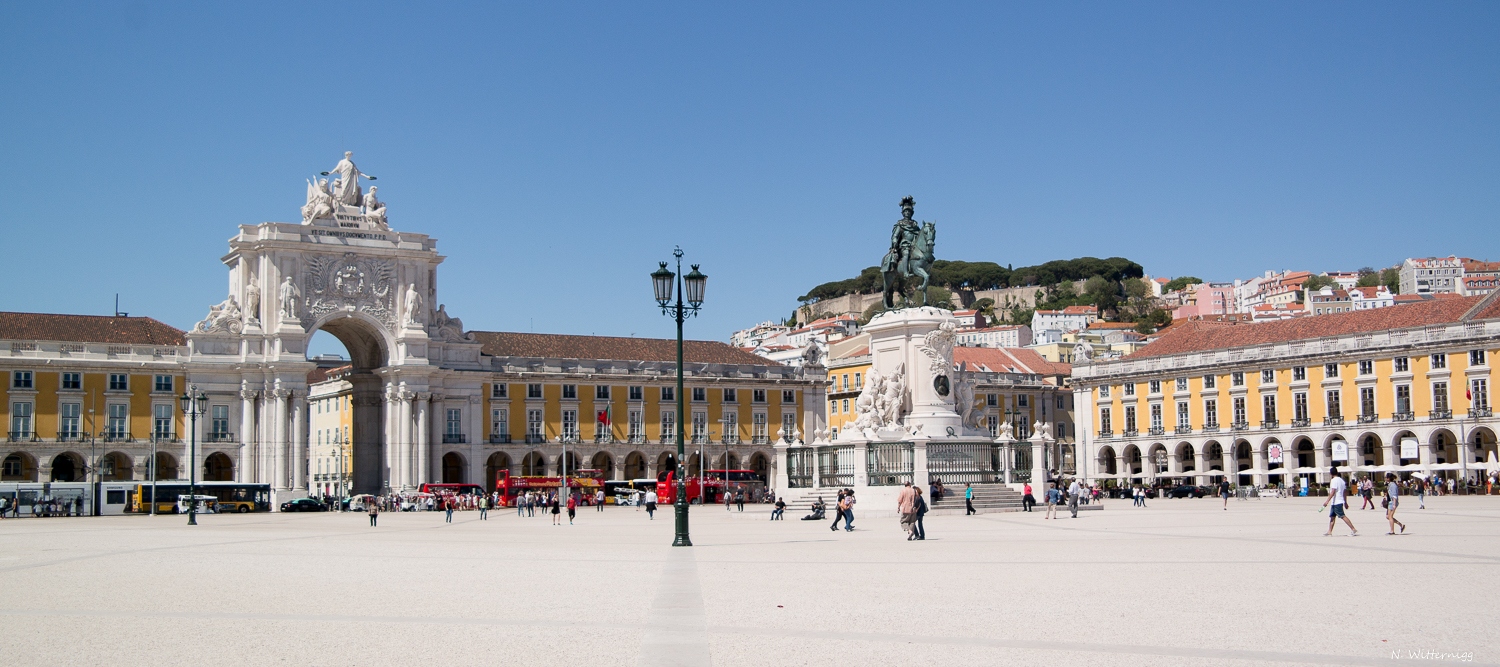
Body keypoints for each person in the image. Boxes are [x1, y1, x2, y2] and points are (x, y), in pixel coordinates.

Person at [1322, 466, 1359, 537]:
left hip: (1337, 502)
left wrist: (1327, 501)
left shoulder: (1334, 480)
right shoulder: (1342, 481)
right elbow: (1344, 492)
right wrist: (1345, 502)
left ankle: (1353, 528)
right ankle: (1329, 531)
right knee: (1332, 517)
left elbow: (1333, 491)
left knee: (1342, 516)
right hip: (1337, 501)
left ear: (1331, 473)